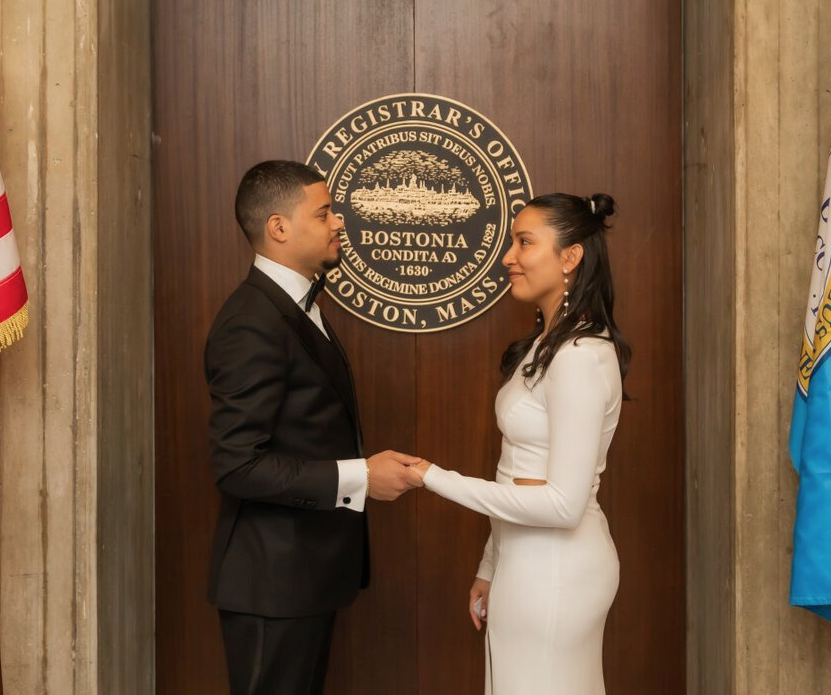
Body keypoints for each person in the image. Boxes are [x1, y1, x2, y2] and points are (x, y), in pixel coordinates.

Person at [205, 160, 422, 695]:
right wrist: (360, 478)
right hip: (270, 585)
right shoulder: (251, 321)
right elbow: (237, 464)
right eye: (323, 213)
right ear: (278, 228)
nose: (338, 223)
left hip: (299, 579)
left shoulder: (294, 305)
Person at [408, 192, 631, 695]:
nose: (508, 256)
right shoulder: (544, 345)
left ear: (570, 257)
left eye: (524, 242)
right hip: (524, 561)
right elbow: (518, 469)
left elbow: (561, 504)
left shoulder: (580, 356)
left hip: (558, 571)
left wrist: (432, 477)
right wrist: (492, 564)